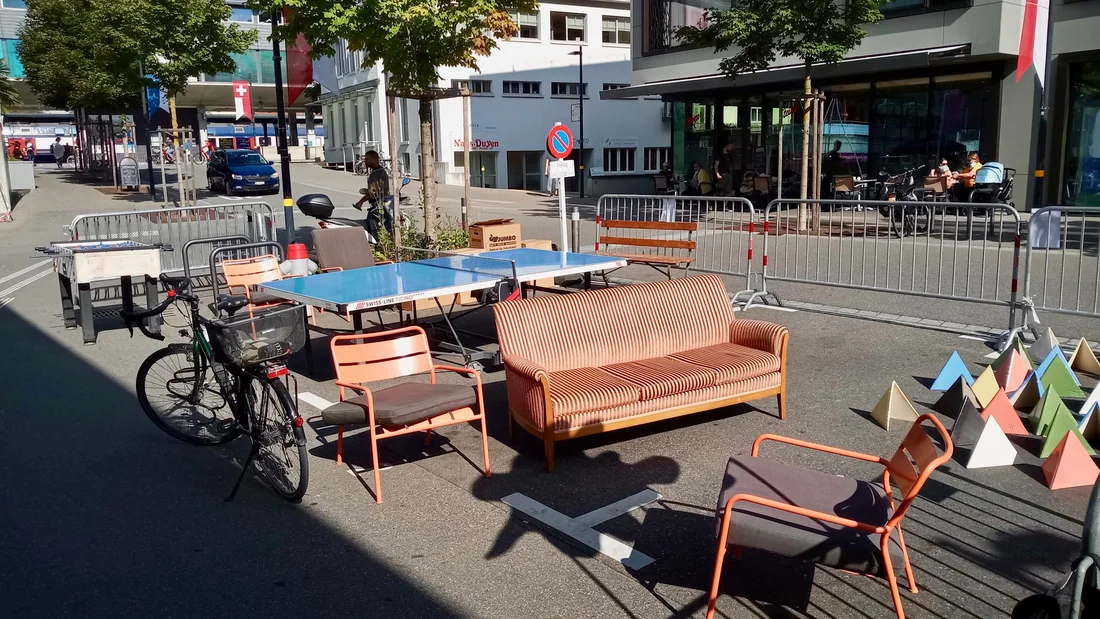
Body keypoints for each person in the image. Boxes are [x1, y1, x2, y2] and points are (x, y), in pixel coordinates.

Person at [353, 150, 394, 235]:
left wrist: (360, 202)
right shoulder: (380, 171)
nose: (365, 161)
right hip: (382, 205)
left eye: (367, 159)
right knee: (385, 228)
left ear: (374, 159)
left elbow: (374, 193)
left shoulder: (376, 174)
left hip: (378, 206)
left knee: (372, 228)